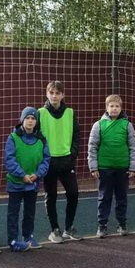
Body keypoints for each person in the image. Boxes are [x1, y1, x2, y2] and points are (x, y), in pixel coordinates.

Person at [88, 94, 135, 238]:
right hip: (104, 168)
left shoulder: (127, 125)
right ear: (106, 108)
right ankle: (102, 225)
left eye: (117, 106)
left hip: (123, 168)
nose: (114, 108)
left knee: (121, 197)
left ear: (121, 108)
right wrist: (94, 167)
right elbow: (92, 147)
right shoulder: (98, 125)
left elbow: (133, 146)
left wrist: (133, 167)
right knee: (104, 197)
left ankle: (122, 224)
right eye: (111, 106)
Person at [38, 81, 82, 244]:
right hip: (49, 161)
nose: (54, 96)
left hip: (66, 161)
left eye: (58, 93)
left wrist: (72, 154)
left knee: (73, 193)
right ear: (47, 94)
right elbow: (36, 136)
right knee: (51, 196)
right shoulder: (40, 113)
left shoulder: (70, 113)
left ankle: (69, 227)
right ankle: (54, 229)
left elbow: (76, 135)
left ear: (63, 95)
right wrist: (43, 157)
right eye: (52, 93)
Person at [4, 107, 50, 252]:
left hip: (33, 183)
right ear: (22, 120)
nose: (30, 121)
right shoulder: (13, 137)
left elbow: (46, 159)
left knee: (29, 212)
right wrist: (22, 175)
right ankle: (13, 240)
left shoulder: (41, 139)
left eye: (33, 118)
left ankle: (28, 236)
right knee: (13, 213)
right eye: (27, 118)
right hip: (16, 182)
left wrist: (37, 174)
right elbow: (9, 159)